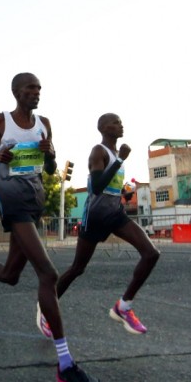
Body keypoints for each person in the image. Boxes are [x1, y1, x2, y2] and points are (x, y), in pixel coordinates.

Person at [0, 72, 103, 382]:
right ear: (17, 92)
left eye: (39, 89)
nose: (37, 93)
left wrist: (48, 153)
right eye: (31, 88)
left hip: (33, 200)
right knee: (48, 273)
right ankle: (65, 364)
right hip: (11, 201)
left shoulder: (45, 123)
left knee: (10, 275)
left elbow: (49, 167)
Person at [44, 113, 160, 341]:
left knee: (151, 253)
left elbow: (111, 187)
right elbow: (96, 187)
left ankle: (124, 306)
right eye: (115, 122)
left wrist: (124, 193)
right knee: (78, 268)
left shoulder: (116, 154)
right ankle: (47, 307)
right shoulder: (99, 152)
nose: (121, 124)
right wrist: (120, 160)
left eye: (120, 121)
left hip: (115, 214)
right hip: (95, 216)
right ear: (103, 128)